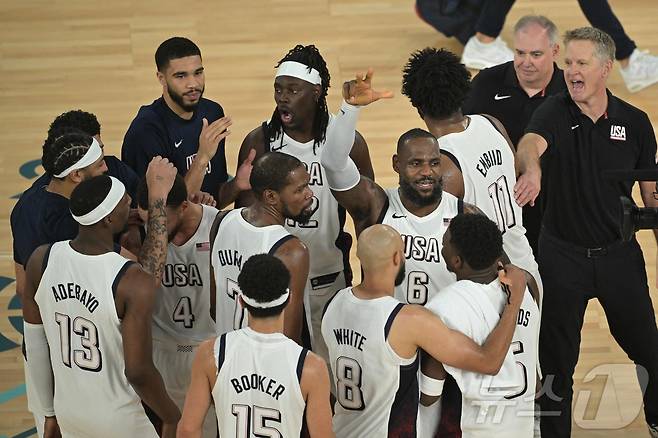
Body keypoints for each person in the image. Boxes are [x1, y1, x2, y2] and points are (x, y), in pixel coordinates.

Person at [514, 27, 658, 437]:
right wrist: (534, 168)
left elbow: (651, 196)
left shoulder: (636, 122)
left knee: (650, 351)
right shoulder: (553, 112)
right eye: (568, 64)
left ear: (605, 68)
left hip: (619, 256)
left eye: (581, 63)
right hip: (561, 258)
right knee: (556, 364)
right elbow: (529, 143)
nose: (571, 72)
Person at [236, 44, 375, 361]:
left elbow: (368, 213)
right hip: (274, 281)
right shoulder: (260, 142)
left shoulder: (348, 144)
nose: (282, 97)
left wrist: (370, 280)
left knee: (332, 374)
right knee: (278, 367)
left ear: (316, 92)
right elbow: (244, 218)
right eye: (278, 89)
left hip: (329, 277)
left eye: (292, 90)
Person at [321, 224, 527, 437]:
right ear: (396, 258)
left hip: (342, 430)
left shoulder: (333, 304)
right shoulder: (410, 320)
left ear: (359, 257)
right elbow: (489, 362)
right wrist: (515, 300)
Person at [21, 170, 180, 438]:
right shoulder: (130, 279)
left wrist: (47, 412)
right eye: (125, 204)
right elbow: (139, 371)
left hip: (68, 411)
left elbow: (35, 347)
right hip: (119, 419)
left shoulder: (42, 260)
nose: (130, 203)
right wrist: (170, 414)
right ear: (108, 218)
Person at [401, 47, 541, 294]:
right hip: (526, 269)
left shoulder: (438, 164)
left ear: (418, 106)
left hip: (488, 287)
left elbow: (432, 248)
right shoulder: (492, 123)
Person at [178, 254, 334, 438]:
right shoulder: (311, 367)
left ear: (241, 301)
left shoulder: (210, 353)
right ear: (289, 298)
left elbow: (188, 429)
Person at [420, 213, 540, 437]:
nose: (442, 243)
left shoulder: (444, 307)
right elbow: (535, 375)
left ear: (456, 261)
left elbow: (428, 395)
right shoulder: (526, 284)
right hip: (523, 426)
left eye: (445, 241)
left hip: (479, 430)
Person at [462, 15, 567, 254]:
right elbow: (458, 129)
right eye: (520, 53)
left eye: (536, 54)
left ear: (555, 51)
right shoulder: (487, 83)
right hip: (496, 205)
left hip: (555, 208)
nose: (526, 62)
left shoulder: (572, 91)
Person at [121, 37, 252, 205]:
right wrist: (202, 158)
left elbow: (216, 198)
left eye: (198, 73)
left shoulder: (212, 112)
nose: (193, 84)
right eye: (181, 76)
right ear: (161, 78)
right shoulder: (146, 132)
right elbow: (163, 214)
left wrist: (236, 185)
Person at [135, 174, 217, 437]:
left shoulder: (219, 226)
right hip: (162, 348)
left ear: (184, 207)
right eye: (150, 220)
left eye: (161, 219)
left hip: (208, 347)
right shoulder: (138, 233)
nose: (155, 226)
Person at [210, 152, 311, 345]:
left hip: (225, 357)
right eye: (300, 189)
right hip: (266, 367)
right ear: (271, 196)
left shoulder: (221, 221)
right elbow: (289, 338)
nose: (310, 194)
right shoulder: (291, 251)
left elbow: (214, 307)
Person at [415, 0, 515, 69]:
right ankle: (483, 43)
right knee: (485, 30)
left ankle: (485, 38)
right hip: (445, 8)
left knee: (484, 26)